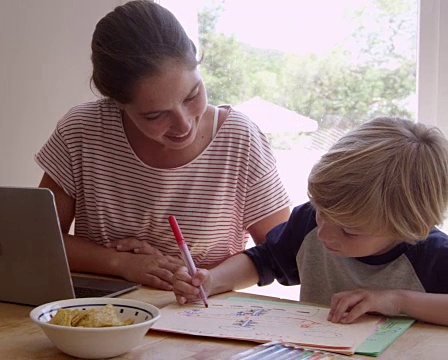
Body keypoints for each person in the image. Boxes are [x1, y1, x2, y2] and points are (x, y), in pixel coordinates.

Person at [35, 0, 290, 291]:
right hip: (101, 314)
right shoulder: (83, 130)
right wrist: (120, 263)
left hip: (201, 317)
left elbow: (282, 251)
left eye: (192, 95)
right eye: (155, 115)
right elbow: (40, 239)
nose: (184, 125)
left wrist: (206, 280)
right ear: (117, 103)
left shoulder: (239, 139)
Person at [172, 117, 448, 326]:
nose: (324, 234)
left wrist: (397, 301)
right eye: (321, 210)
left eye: (350, 231)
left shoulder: (432, 254)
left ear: (409, 227)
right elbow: (263, 259)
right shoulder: (309, 223)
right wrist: (212, 280)